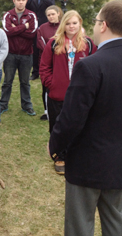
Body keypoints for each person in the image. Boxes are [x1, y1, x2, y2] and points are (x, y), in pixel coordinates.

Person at [48, 0, 122, 236]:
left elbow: (71, 118)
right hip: (120, 156)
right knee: (116, 221)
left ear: (103, 25)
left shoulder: (89, 66)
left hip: (87, 161)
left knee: (79, 224)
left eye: (96, 21)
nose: (95, 27)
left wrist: (54, 146)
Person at [40, 10, 96, 175]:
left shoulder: (89, 43)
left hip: (80, 95)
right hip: (58, 94)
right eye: (68, 23)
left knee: (80, 124)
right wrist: (52, 84)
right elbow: (44, 67)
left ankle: (77, 153)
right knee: (58, 125)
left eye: (75, 23)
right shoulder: (53, 43)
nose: (71, 26)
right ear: (63, 24)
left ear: (80, 24)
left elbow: (95, 67)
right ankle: (59, 155)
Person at [0, 0, 37, 116]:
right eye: (18, 0)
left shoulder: (31, 16)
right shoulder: (8, 15)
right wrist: (24, 27)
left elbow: (32, 34)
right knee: (7, 81)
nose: (21, 2)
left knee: (25, 82)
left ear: (26, 1)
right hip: (10, 54)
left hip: (26, 54)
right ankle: (3, 104)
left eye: (23, 0)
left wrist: (16, 28)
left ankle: (27, 105)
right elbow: (7, 31)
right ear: (14, 1)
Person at [36, 5, 62, 121]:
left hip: (61, 60)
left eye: (53, 14)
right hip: (46, 61)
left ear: (58, 14)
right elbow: (40, 43)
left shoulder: (63, 26)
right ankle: (47, 111)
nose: (51, 17)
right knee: (46, 86)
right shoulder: (42, 28)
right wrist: (51, 46)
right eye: (48, 15)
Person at [26, 0, 56, 80]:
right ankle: (35, 72)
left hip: (45, 26)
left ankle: (49, 69)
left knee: (46, 48)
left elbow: (52, 5)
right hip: (34, 26)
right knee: (35, 50)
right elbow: (26, 7)